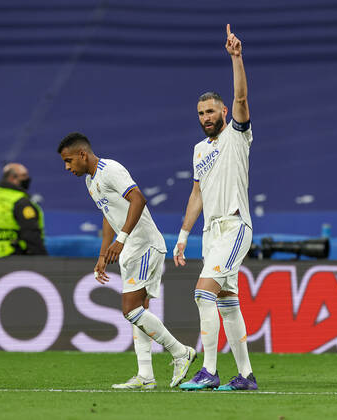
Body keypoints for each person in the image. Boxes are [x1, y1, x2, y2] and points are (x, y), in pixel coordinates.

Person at [57, 133, 196, 389]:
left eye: (68, 161)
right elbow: (108, 216)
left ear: (82, 155)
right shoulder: (90, 181)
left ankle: (180, 352)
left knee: (130, 310)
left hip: (142, 245)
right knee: (139, 311)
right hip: (131, 247)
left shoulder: (109, 169)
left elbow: (139, 199)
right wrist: (102, 255)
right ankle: (146, 376)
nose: (67, 167)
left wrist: (121, 240)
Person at [174, 24, 257, 391]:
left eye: (211, 111)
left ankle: (209, 370)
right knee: (226, 302)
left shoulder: (236, 135)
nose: (206, 117)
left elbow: (241, 100)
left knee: (201, 292)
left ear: (222, 110)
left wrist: (236, 58)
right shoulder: (199, 150)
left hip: (235, 226)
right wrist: (182, 236)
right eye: (201, 114)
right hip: (210, 233)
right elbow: (197, 194)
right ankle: (246, 376)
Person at [0, 163, 47, 258]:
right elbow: (31, 234)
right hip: (17, 257)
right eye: (24, 175)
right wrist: (43, 259)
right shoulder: (21, 202)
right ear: (12, 178)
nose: (27, 179)